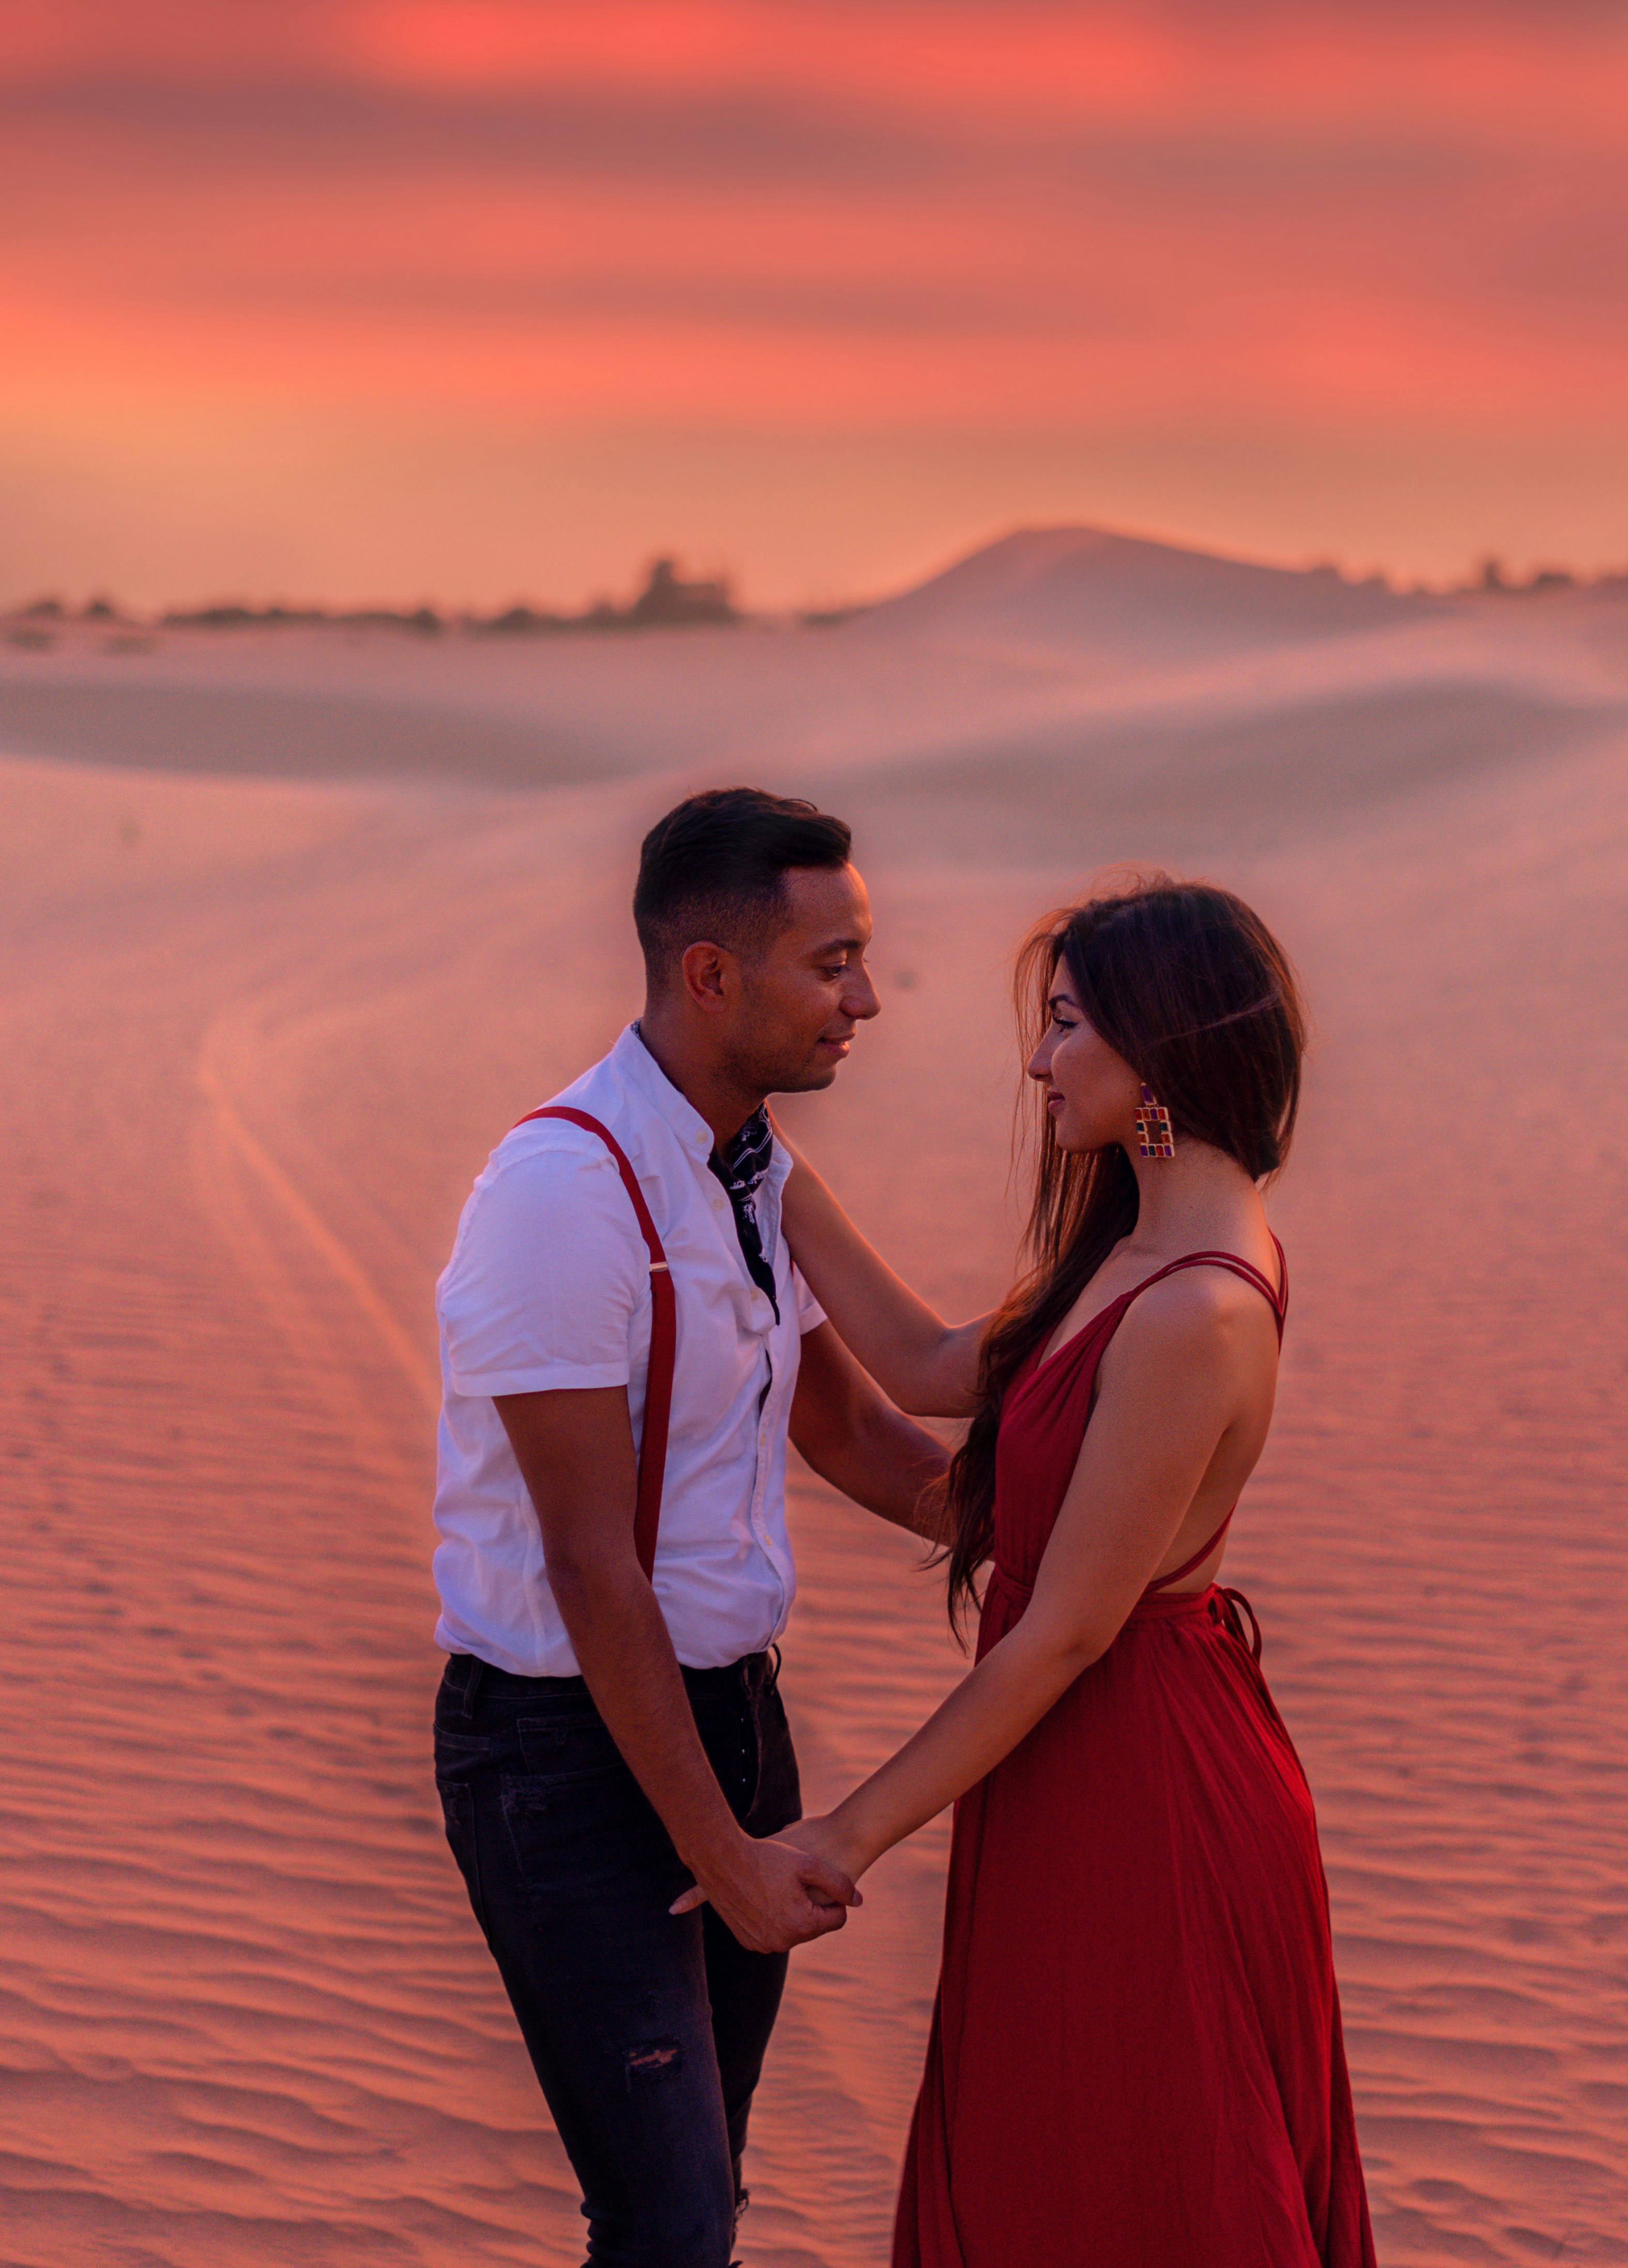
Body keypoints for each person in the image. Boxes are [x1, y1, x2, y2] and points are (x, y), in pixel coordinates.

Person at [739, 875, 1375, 2267]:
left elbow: (1063, 1634)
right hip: (1073, 1768)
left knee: (1132, 2169)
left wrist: (839, 1836)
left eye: (1070, 1023)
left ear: (1165, 1043)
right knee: (1052, 2154)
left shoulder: (1196, 1306)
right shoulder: (1129, 1247)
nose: (1038, 1063)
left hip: (1143, 1788)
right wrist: (758, 1172)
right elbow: (916, 1370)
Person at [428, 788, 951, 2267]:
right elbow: (592, 1566)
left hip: (733, 1717)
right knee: (663, 2221)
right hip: (564, 1751)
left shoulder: (750, 1166)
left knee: (700, 2202)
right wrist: (718, 1850)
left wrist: (1069, 1524)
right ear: (712, 974)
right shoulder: (562, 1190)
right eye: (832, 961)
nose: (863, 1000)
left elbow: (857, 1417)